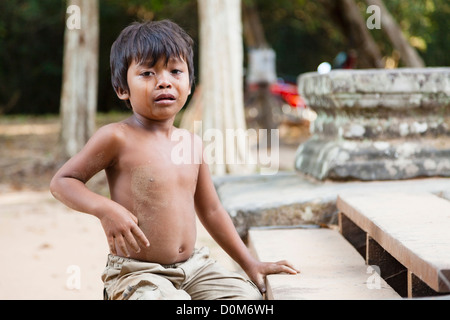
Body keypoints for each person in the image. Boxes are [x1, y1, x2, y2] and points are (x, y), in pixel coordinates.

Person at [50, 19, 299, 300]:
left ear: (189, 84)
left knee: (246, 299)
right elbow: (63, 181)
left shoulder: (192, 143)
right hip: (138, 272)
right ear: (122, 89)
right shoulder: (116, 137)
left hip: (195, 267)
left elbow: (212, 210)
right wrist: (105, 209)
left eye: (175, 71)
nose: (164, 81)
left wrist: (249, 263)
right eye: (147, 73)